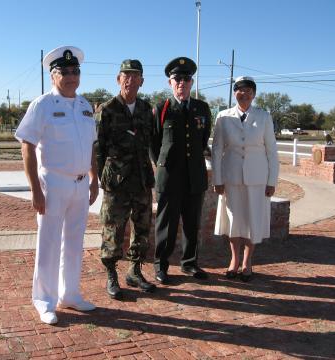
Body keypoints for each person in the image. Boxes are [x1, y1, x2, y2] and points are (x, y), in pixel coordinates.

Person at [15, 45, 99, 324]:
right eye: (64, 72)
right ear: (53, 76)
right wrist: (35, 190)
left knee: (74, 242)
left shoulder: (86, 105)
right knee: (49, 243)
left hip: (80, 184)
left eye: (75, 71)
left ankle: (70, 294)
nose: (71, 76)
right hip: (53, 182)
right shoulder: (42, 105)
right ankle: (44, 300)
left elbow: (91, 146)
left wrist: (94, 178)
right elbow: (27, 146)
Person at [95, 59, 156, 300]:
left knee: (142, 227)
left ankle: (134, 271)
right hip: (117, 181)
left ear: (141, 81)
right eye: (125, 75)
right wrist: (102, 178)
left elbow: (149, 142)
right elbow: (98, 149)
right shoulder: (107, 110)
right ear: (118, 80)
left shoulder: (145, 108)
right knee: (113, 228)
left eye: (135, 76)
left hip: (141, 179)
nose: (130, 80)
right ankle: (112, 275)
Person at [150, 57, 212, 284]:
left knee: (192, 223)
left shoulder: (202, 109)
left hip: (194, 176)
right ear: (170, 82)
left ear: (191, 82)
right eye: (177, 79)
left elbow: (203, 139)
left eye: (186, 79)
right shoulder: (161, 109)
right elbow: (153, 144)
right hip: (170, 177)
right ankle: (161, 266)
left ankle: (189, 263)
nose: (182, 83)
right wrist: (163, 167)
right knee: (166, 223)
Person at [212, 76, 279, 282]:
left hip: (257, 178)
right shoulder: (223, 117)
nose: (244, 93)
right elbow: (216, 151)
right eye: (240, 90)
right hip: (231, 177)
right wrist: (217, 179)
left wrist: (272, 181)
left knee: (253, 220)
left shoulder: (264, 117)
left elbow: (272, 151)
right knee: (234, 221)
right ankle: (233, 260)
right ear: (234, 93)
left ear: (254, 94)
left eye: (249, 90)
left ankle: (247, 262)